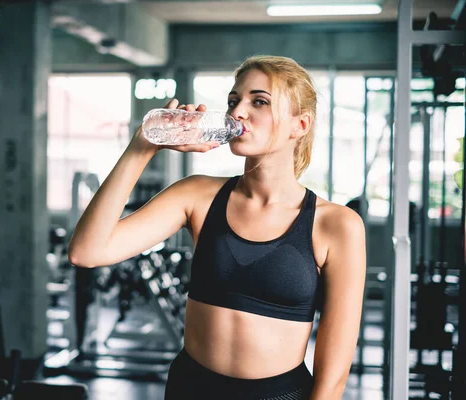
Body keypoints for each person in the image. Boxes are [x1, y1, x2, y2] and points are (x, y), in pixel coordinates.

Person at [68, 55, 366, 400]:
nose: (238, 112)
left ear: (299, 125)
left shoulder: (337, 225)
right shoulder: (197, 195)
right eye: (234, 100)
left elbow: (332, 379)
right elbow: (86, 252)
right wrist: (144, 145)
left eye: (259, 101)